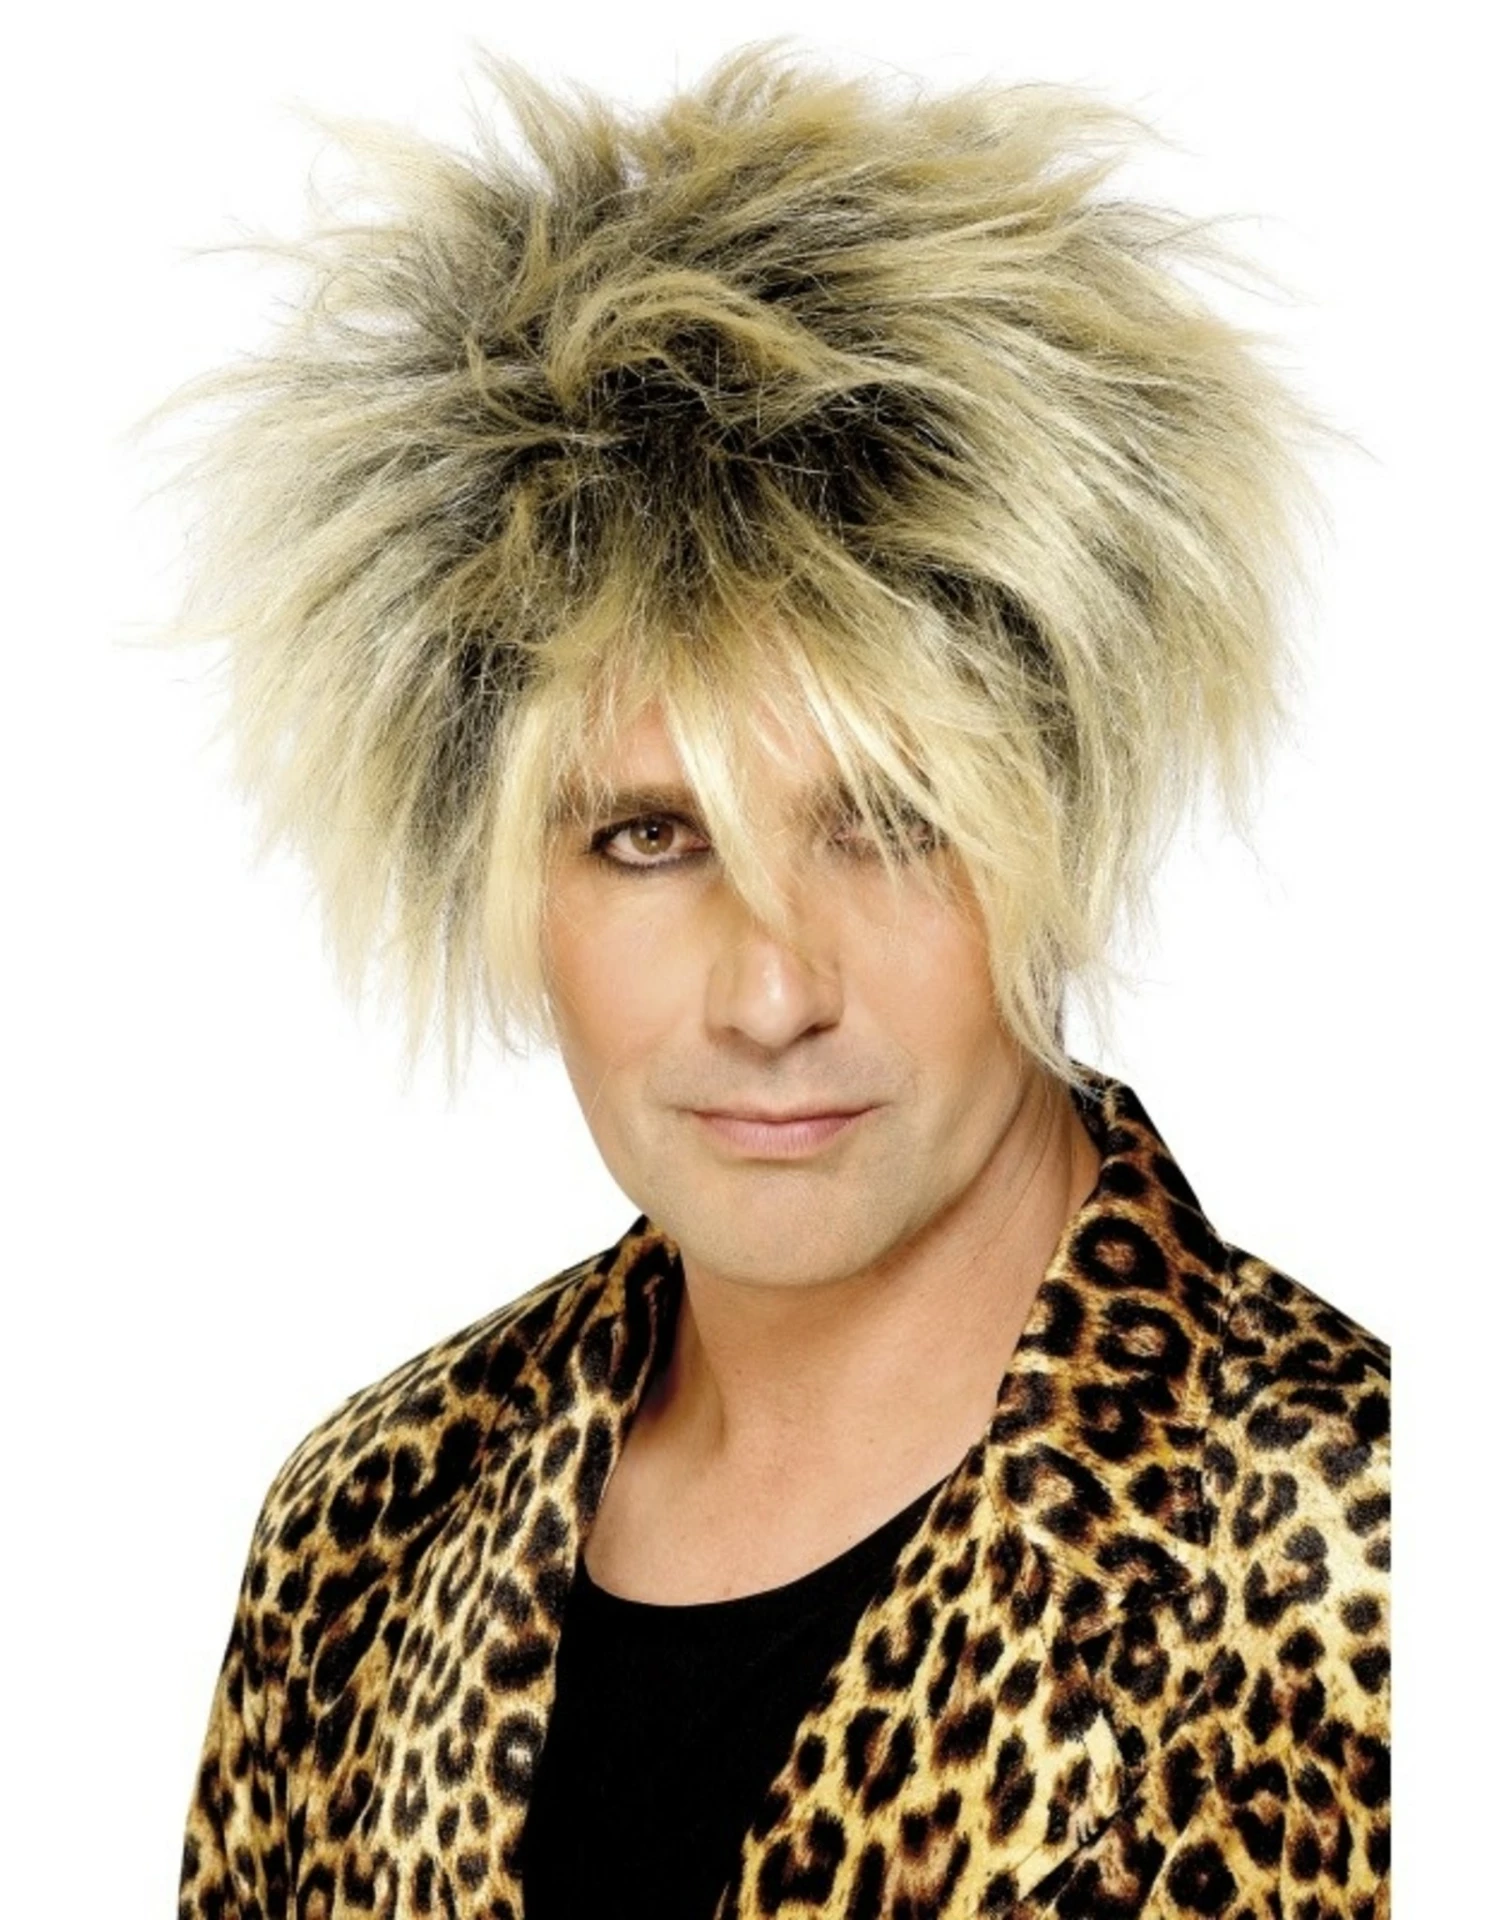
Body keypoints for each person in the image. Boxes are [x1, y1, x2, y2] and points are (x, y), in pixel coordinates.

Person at [172, 42, 1390, 1920]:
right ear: (499, 866)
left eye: (889, 823)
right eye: (649, 837)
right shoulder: (368, 1538)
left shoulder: (1360, 1570)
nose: (768, 994)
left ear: (1054, 821)